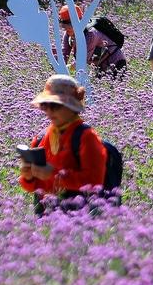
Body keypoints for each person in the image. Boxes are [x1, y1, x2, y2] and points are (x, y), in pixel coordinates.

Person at [19, 74, 108, 214]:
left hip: (78, 218)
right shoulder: (41, 138)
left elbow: (94, 183)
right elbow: (35, 187)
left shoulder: (86, 137)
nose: (48, 111)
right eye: (45, 105)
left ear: (71, 106)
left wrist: (54, 175)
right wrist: (28, 177)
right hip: (45, 216)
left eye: (54, 105)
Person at [60, 6, 126, 79]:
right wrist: (59, 66)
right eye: (64, 26)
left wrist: (65, 68)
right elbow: (64, 53)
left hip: (115, 62)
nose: (66, 29)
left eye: (69, 25)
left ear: (79, 22)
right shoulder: (68, 34)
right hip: (99, 65)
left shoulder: (91, 34)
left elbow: (82, 60)